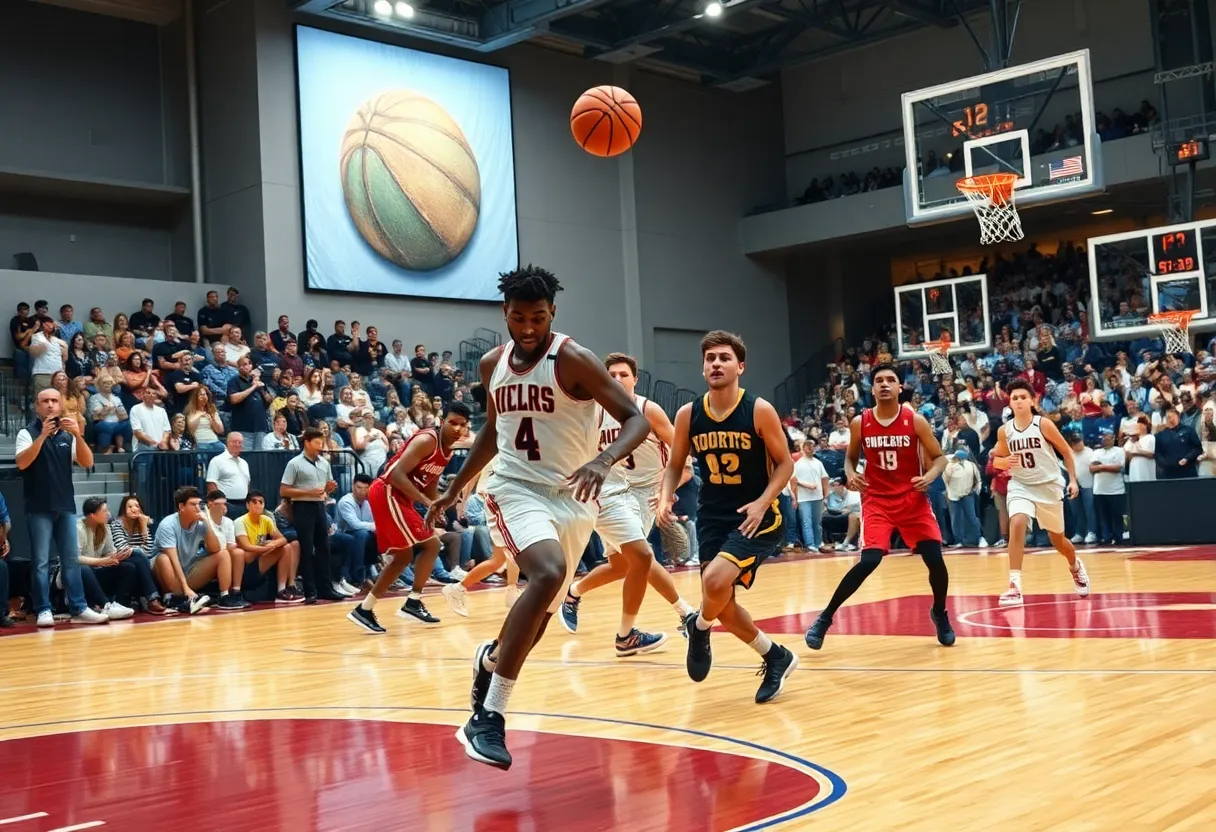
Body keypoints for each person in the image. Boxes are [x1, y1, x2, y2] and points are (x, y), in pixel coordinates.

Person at [424, 266, 650, 770]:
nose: (528, 328)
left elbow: (635, 419)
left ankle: (490, 658)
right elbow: (492, 431)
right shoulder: (491, 364)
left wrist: (602, 459)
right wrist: (456, 487)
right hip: (513, 486)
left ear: (554, 314)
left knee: (539, 620)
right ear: (505, 313)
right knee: (546, 574)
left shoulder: (573, 359)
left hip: (574, 495)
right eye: (519, 318)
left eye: (538, 318)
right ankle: (488, 717)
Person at [657, 331, 798, 703]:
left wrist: (764, 501)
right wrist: (664, 496)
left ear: (740, 366)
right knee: (723, 603)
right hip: (712, 515)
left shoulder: (759, 410)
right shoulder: (689, 414)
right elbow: (674, 465)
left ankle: (697, 625)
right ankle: (775, 656)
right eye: (709, 359)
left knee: (716, 583)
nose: (715, 364)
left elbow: (785, 464)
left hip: (759, 514)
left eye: (723, 358)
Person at [804, 363, 955, 650]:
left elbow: (940, 459)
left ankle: (940, 613)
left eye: (890, 380)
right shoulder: (861, 422)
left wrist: (929, 477)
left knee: (935, 558)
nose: (884, 384)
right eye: (879, 381)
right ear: (872, 389)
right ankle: (825, 617)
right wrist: (850, 473)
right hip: (877, 500)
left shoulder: (915, 421)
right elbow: (850, 459)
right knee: (869, 561)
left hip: (912, 499)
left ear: (900, 387)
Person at [558, 352, 694, 652]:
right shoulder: (592, 413)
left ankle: (574, 592)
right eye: (612, 375)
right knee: (641, 557)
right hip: (612, 492)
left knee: (623, 565)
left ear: (635, 379)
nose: (617, 379)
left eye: (623, 374)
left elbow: (683, 459)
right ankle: (684, 613)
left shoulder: (649, 409)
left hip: (647, 491)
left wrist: (665, 490)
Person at [347, 402, 472, 633]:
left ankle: (365, 609)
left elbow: (430, 486)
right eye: (452, 422)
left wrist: (438, 506)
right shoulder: (427, 440)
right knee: (431, 544)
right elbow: (395, 475)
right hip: (387, 491)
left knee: (404, 556)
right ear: (441, 421)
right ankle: (412, 602)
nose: (457, 428)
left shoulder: (447, 451)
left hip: (401, 497)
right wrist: (428, 503)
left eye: (462, 425)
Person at [990, 379, 1088, 607]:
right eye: (1014, 398)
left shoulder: (1043, 424)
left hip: (1048, 485)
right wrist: (1005, 462)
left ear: (1033, 401)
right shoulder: (1005, 431)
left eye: (1023, 397)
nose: (1019, 401)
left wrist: (1072, 480)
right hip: (1021, 485)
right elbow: (998, 461)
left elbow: (1066, 452)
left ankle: (1075, 565)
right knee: (1017, 522)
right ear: (1010, 403)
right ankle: (1014, 585)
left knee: (1058, 541)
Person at [15, 388, 108, 626]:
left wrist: (78, 435)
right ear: (37, 407)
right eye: (45, 401)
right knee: (41, 562)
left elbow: (88, 462)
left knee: (71, 560)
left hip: (66, 506)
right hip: (38, 507)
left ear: (60, 406)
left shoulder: (68, 435)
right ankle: (43, 609)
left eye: (54, 401)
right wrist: (43, 436)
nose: (50, 405)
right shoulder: (27, 433)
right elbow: (22, 463)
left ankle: (79, 607)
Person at [280, 428, 342, 603]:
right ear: (306, 442)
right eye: (317, 443)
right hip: (302, 507)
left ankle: (327, 589)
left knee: (324, 548)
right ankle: (310, 591)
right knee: (307, 549)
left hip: (319, 506)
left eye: (321, 443)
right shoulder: (294, 463)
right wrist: (307, 491)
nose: (320, 446)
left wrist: (329, 489)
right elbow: (284, 489)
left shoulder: (324, 463)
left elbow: (325, 489)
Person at [233, 490, 302, 604]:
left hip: (260, 559)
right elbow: (247, 547)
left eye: (261, 502)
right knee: (243, 554)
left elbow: (283, 539)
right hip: (246, 565)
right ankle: (236, 592)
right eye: (254, 502)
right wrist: (266, 547)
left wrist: (272, 544)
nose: (258, 505)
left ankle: (282, 590)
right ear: (247, 505)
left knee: (287, 547)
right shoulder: (240, 522)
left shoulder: (267, 520)